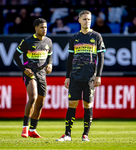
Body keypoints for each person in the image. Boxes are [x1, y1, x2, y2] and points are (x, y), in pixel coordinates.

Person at [56, 10, 106, 141]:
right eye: (84, 19)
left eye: (89, 19)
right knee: (72, 103)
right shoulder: (74, 38)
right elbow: (70, 58)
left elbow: (101, 57)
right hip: (75, 76)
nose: (87, 21)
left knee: (87, 105)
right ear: (79, 20)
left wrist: (98, 75)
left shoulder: (96, 36)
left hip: (90, 76)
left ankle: (85, 135)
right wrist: (67, 76)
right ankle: (67, 134)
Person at [13, 18, 53, 138]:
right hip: (29, 72)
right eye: (41, 27)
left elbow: (50, 56)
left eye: (45, 27)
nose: (44, 29)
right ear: (35, 28)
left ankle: (32, 130)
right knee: (33, 98)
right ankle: (25, 128)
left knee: (40, 103)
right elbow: (15, 56)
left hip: (42, 73)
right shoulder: (27, 41)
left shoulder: (49, 41)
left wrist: (50, 64)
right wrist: (24, 69)